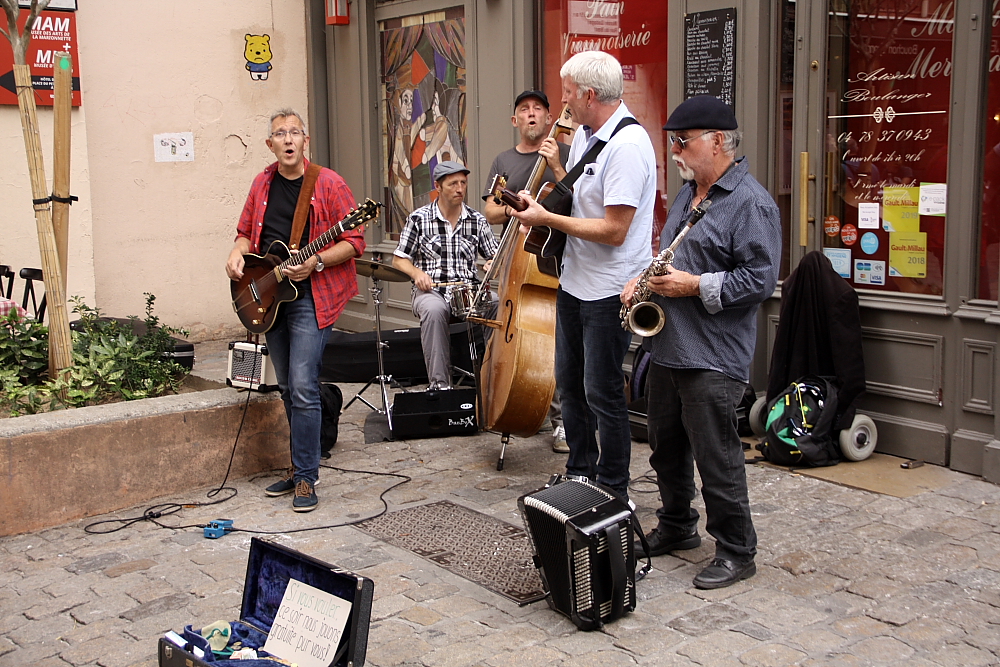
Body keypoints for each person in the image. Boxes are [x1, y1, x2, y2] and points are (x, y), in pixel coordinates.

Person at [621, 95, 781, 589]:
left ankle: (737, 550)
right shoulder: (693, 196)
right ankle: (677, 526)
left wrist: (694, 286)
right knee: (665, 448)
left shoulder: (751, 203)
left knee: (717, 456)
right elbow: (671, 256)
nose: (674, 151)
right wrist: (640, 282)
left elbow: (760, 281)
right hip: (669, 345)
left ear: (717, 141)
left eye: (682, 142)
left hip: (713, 353)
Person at [508, 51, 656, 502]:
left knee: (603, 393)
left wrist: (546, 220)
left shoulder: (628, 147)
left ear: (590, 95)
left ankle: (613, 487)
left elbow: (614, 230)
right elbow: (582, 201)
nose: (563, 101)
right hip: (576, 282)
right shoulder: (594, 136)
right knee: (570, 385)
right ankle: (580, 474)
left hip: (609, 290)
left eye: (568, 92)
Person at [226, 108, 366, 512]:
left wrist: (317, 262)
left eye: (294, 133)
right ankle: (298, 464)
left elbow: (354, 240)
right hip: (269, 294)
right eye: (279, 134)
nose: (287, 140)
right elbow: (243, 231)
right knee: (286, 386)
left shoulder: (329, 183)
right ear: (270, 145)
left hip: (311, 295)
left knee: (303, 385)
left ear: (305, 140)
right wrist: (236, 254)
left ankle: (306, 478)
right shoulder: (262, 183)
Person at [481, 89, 571, 453]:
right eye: (524, 110)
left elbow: (578, 200)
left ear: (551, 119)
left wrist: (557, 167)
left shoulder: (563, 153)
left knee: (556, 337)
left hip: (554, 257)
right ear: (514, 120)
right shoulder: (503, 161)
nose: (531, 114)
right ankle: (516, 400)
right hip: (513, 259)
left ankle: (562, 421)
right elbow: (489, 211)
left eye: (538, 109)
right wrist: (514, 208)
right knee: (512, 329)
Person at [393, 161, 499, 390]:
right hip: (432, 291)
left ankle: (493, 378)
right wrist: (417, 273)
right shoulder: (419, 219)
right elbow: (399, 259)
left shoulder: (477, 220)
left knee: (498, 304)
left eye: (463, 183)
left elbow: (495, 257)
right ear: (438, 186)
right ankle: (440, 386)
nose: (460, 188)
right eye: (453, 184)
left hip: (468, 291)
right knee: (434, 310)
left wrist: (491, 265)